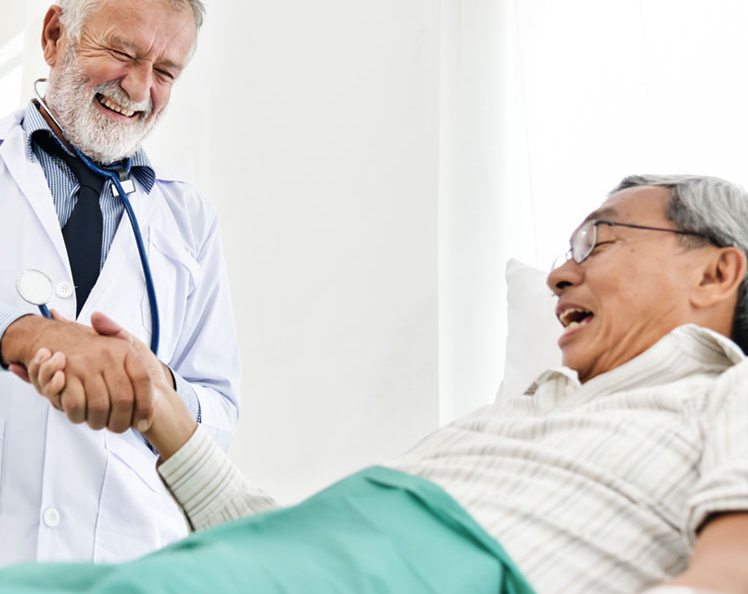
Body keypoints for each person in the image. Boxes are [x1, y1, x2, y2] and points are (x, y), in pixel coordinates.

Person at [5, 173, 748, 594]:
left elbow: (727, 576)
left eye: (599, 239)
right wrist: (157, 405)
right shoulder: (519, 417)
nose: (559, 274)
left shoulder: (725, 394)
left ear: (717, 271)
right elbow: (286, 537)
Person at [0, 0, 241, 565]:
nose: (139, 87)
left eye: (165, 70)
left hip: (123, 562)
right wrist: (21, 332)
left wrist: (152, 383)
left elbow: (217, 417)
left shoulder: (189, 221)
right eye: (124, 53)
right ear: (55, 36)